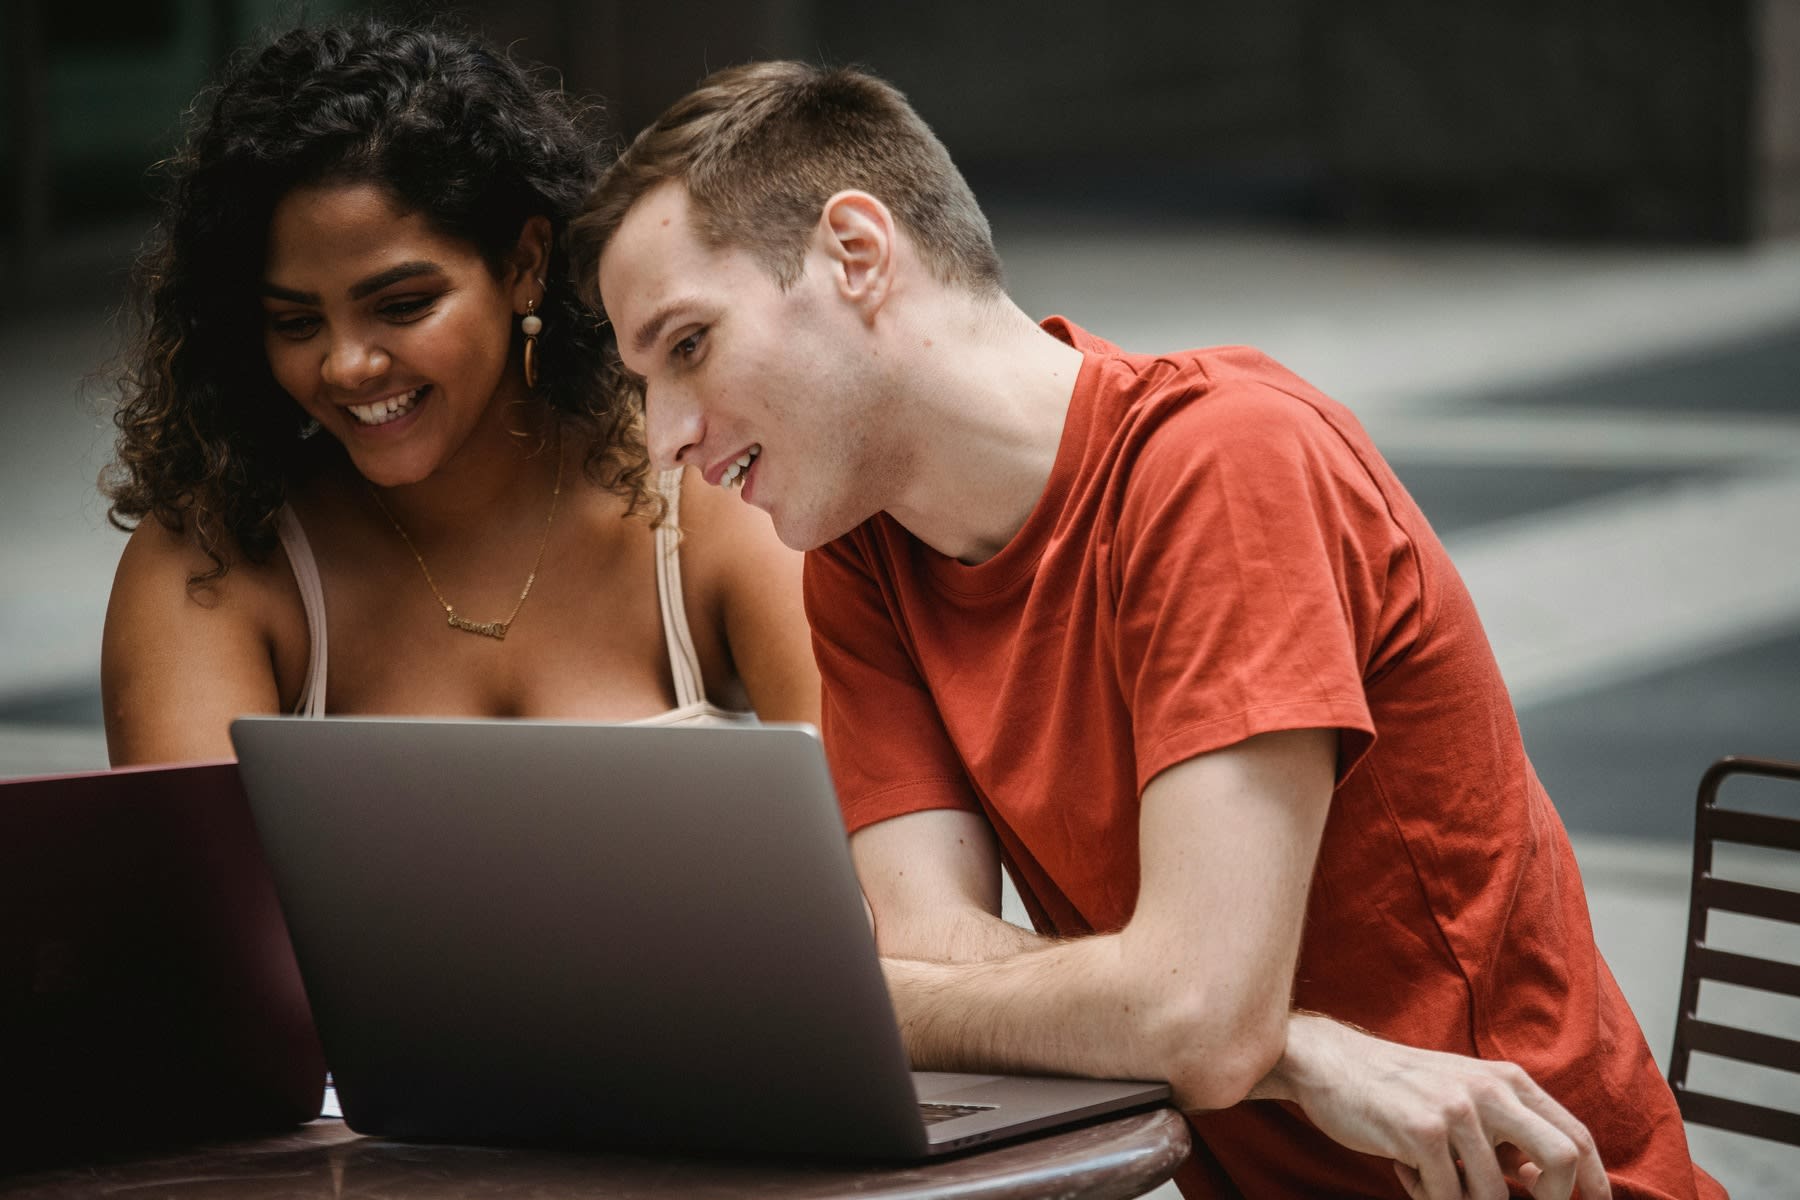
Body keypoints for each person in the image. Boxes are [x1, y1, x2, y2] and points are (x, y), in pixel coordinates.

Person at [573, 62, 1723, 1200]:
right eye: (643, 381)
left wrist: (1205, 1021)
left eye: (688, 346)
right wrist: (1292, 1047)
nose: (667, 434)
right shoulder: (862, 560)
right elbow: (926, 958)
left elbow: (1178, 1017)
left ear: (857, 255)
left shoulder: (1225, 465)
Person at [101, 19, 816, 766]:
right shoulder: (215, 560)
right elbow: (200, 884)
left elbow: (874, 846)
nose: (346, 365)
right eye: (295, 321)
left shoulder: (704, 493)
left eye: (402, 305)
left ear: (524, 264)